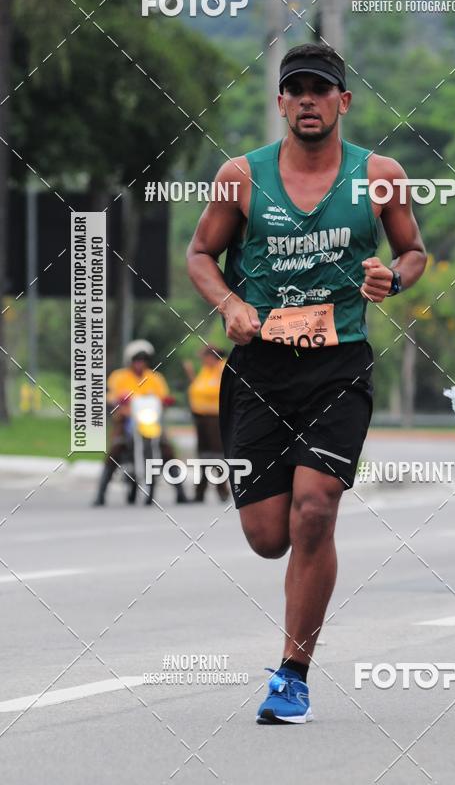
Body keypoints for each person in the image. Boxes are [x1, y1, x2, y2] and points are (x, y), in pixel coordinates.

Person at [187, 42, 427, 724]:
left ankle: (292, 674)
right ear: (281, 102)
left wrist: (394, 276)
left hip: (338, 364)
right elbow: (201, 253)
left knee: (315, 509)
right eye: (297, 90)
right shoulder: (241, 176)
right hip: (260, 370)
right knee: (269, 534)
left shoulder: (378, 176)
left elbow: (413, 250)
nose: (309, 101)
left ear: (343, 101)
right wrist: (231, 303)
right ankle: (292, 622)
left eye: (322, 89)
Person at [93, 339, 187, 506]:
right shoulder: (119, 376)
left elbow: (163, 396)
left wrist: (166, 401)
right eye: (136, 359)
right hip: (126, 420)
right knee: (116, 448)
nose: (140, 363)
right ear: (130, 360)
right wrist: (117, 400)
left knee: (166, 449)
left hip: (150, 423)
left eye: (143, 360)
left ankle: (181, 493)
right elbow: (110, 396)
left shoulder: (155, 377)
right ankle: (100, 494)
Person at [183, 345, 230, 502]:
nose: (202, 360)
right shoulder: (206, 370)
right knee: (204, 454)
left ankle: (222, 490)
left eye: (205, 356)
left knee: (217, 454)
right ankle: (200, 492)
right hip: (201, 417)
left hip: (215, 417)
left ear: (213, 356)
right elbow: (198, 389)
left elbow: (217, 390)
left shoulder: (222, 368)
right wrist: (190, 376)